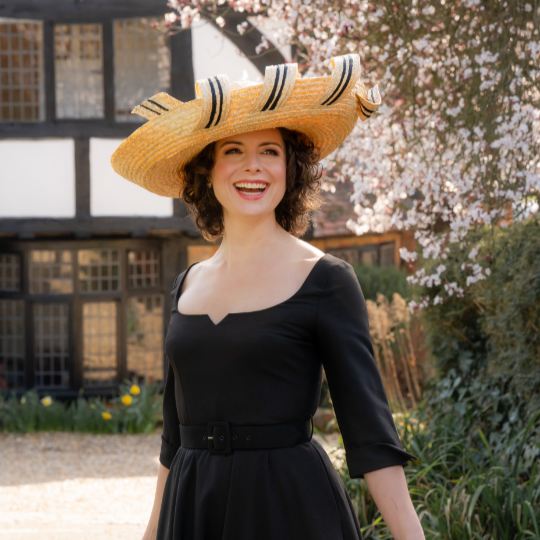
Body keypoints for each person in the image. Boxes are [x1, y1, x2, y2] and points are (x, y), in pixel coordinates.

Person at [111, 53, 424, 540]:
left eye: (270, 151)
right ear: (208, 169)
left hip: (289, 508)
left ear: (290, 169)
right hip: (192, 509)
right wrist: (152, 533)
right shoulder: (185, 285)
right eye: (233, 150)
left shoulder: (326, 280)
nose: (252, 166)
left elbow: (370, 433)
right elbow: (173, 439)